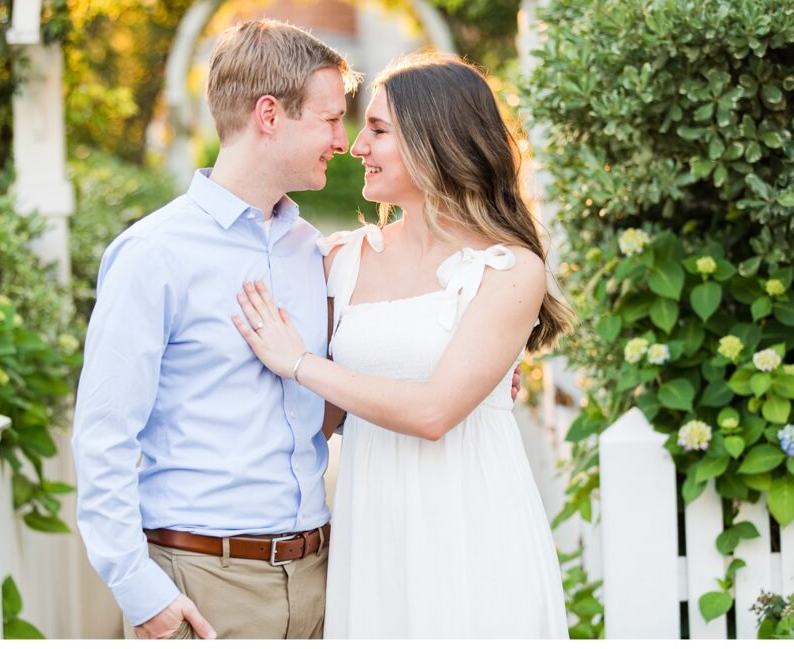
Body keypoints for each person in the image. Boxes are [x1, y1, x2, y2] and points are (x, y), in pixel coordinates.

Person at [232, 52, 573, 638]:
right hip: (374, 531)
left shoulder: (509, 269)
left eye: (379, 130)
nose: (356, 146)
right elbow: (324, 419)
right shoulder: (341, 260)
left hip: (475, 528)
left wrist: (300, 363)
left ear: (436, 140)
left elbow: (436, 412)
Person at [70, 19, 363, 640]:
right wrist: (138, 589)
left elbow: (333, 403)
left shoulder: (311, 251)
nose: (344, 139)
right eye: (330, 119)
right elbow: (104, 434)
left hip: (320, 579)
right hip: (201, 585)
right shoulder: (154, 253)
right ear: (269, 114)